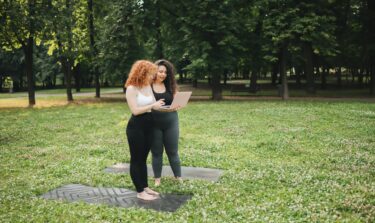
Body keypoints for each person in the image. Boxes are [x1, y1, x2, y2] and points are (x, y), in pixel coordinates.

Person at [125, 60, 165, 200]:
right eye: (150, 73)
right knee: (136, 159)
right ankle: (140, 191)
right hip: (136, 127)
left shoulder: (147, 86)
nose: (152, 76)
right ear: (142, 72)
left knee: (143, 158)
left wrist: (167, 107)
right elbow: (135, 111)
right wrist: (152, 105)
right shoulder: (131, 88)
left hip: (149, 125)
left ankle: (145, 187)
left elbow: (154, 105)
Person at [151, 59, 182, 186]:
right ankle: (157, 178)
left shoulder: (170, 85)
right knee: (156, 152)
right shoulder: (148, 86)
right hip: (153, 123)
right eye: (160, 71)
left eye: (165, 72)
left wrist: (178, 105)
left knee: (173, 151)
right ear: (154, 72)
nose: (163, 74)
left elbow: (178, 100)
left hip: (171, 121)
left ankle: (178, 177)